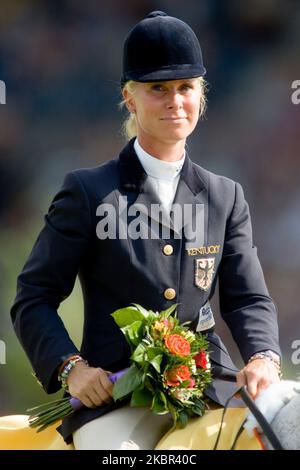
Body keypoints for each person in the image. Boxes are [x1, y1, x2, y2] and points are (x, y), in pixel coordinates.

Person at [11, 11, 281, 450]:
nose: (175, 100)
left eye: (185, 88)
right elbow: (34, 298)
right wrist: (71, 369)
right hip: (115, 397)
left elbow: (247, 298)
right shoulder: (88, 191)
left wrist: (264, 358)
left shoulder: (225, 195)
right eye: (158, 89)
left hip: (209, 388)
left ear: (200, 96)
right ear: (130, 99)